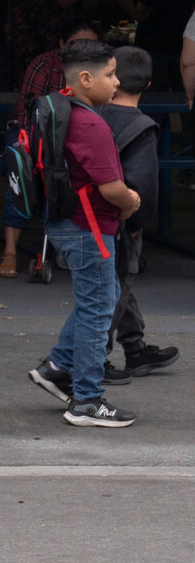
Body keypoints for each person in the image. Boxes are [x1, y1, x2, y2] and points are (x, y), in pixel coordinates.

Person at [25, 38, 141, 428]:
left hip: (64, 221)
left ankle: (58, 366)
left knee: (100, 296)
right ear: (87, 79)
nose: (116, 81)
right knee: (97, 309)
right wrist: (130, 203)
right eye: (110, 74)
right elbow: (111, 188)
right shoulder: (92, 123)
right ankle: (87, 399)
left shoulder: (59, 107)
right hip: (88, 226)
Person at [0, 14, 101, 277]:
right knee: (20, 177)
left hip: (78, 137)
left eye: (90, 46)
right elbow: (30, 113)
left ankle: (79, 244)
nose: (83, 52)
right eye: (76, 44)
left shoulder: (102, 70)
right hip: (32, 132)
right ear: (61, 44)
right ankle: (10, 251)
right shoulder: (44, 64)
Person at [101, 46, 179, 384]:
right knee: (114, 288)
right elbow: (144, 187)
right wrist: (135, 225)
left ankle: (134, 348)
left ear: (113, 78)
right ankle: (94, 358)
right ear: (148, 86)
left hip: (89, 217)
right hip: (120, 220)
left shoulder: (93, 116)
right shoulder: (142, 127)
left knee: (116, 283)